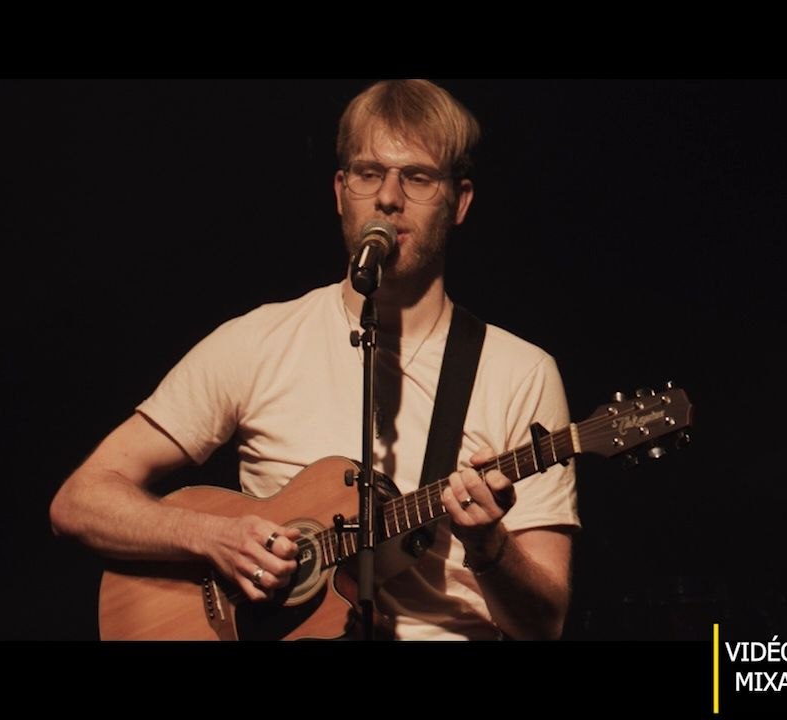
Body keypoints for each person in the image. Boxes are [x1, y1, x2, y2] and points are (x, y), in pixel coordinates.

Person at [49, 79, 580, 640]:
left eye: (418, 177)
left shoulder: (521, 373)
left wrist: (489, 546)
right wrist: (211, 536)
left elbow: (544, 626)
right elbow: (80, 500)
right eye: (369, 173)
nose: (389, 197)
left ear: (460, 202)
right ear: (340, 191)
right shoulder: (257, 342)